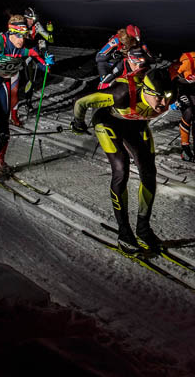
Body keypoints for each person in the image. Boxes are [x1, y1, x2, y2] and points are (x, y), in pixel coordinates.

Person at [71, 64, 174, 254]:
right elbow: (80, 101)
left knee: (149, 173)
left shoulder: (166, 93)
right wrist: (78, 123)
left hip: (136, 125)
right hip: (109, 122)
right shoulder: (122, 93)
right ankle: (124, 233)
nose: (163, 104)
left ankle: (143, 230)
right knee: (121, 170)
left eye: (167, 97)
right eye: (159, 97)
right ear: (146, 90)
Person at [0, 15, 53, 179]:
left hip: (2, 82)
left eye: (24, 36)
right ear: (11, 33)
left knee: (4, 124)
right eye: (19, 36)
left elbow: (43, 67)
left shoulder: (23, 46)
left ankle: (0, 159)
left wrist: (48, 62)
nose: (22, 40)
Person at [12, 6, 56, 125]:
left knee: (31, 79)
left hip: (32, 54)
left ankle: (27, 102)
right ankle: (11, 104)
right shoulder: (21, 26)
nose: (32, 21)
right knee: (16, 80)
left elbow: (50, 39)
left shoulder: (36, 26)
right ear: (25, 18)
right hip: (21, 54)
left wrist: (49, 31)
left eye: (33, 19)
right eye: (30, 19)